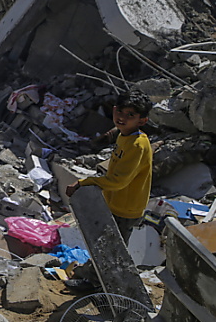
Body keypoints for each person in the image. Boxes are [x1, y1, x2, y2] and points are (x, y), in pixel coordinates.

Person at [65, 90, 154, 246]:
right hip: (115, 203)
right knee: (104, 245)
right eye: (120, 111)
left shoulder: (137, 145)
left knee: (114, 250)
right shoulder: (123, 135)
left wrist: (83, 183)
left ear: (142, 121)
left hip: (126, 210)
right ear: (114, 110)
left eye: (130, 115)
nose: (122, 117)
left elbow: (118, 181)